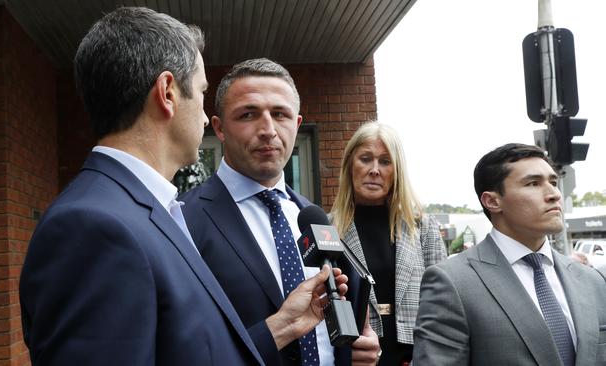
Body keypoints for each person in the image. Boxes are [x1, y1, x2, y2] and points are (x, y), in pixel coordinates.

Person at [19, 9, 344, 365]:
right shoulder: (92, 226)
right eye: (202, 92)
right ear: (168, 93)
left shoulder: (146, 213)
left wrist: (282, 326)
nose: (204, 117)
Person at [181, 58, 380, 366]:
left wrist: (355, 351)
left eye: (280, 114)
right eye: (248, 114)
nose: (268, 130)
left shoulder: (313, 217)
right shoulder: (183, 220)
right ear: (219, 128)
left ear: (296, 124)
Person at [413, 143, 606, 365]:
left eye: (553, 182)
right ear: (492, 201)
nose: (554, 194)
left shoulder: (593, 281)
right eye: (533, 183)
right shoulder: (453, 282)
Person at [329, 121, 447, 366]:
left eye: (384, 161)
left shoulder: (422, 227)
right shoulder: (328, 230)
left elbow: (443, 303)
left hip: (414, 355)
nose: (374, 169)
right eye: (365, 158)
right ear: (350, 164)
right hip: (354, 355)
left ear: (397, 171)